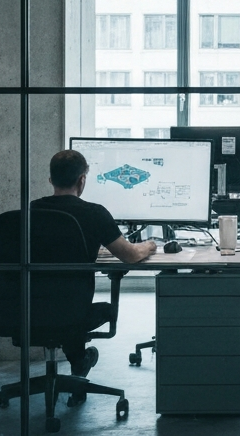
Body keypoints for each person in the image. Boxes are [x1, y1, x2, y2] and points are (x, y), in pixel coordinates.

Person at [31, 149, 156, 377]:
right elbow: (129, 255)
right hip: (72, 312)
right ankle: (78, 363)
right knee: (70, 304)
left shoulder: (31, 212)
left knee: (60, 299)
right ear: (82, 180)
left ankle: (78, 362)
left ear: (51, 180)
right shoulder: (93, 213)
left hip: (24, 310)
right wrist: (148, 245)